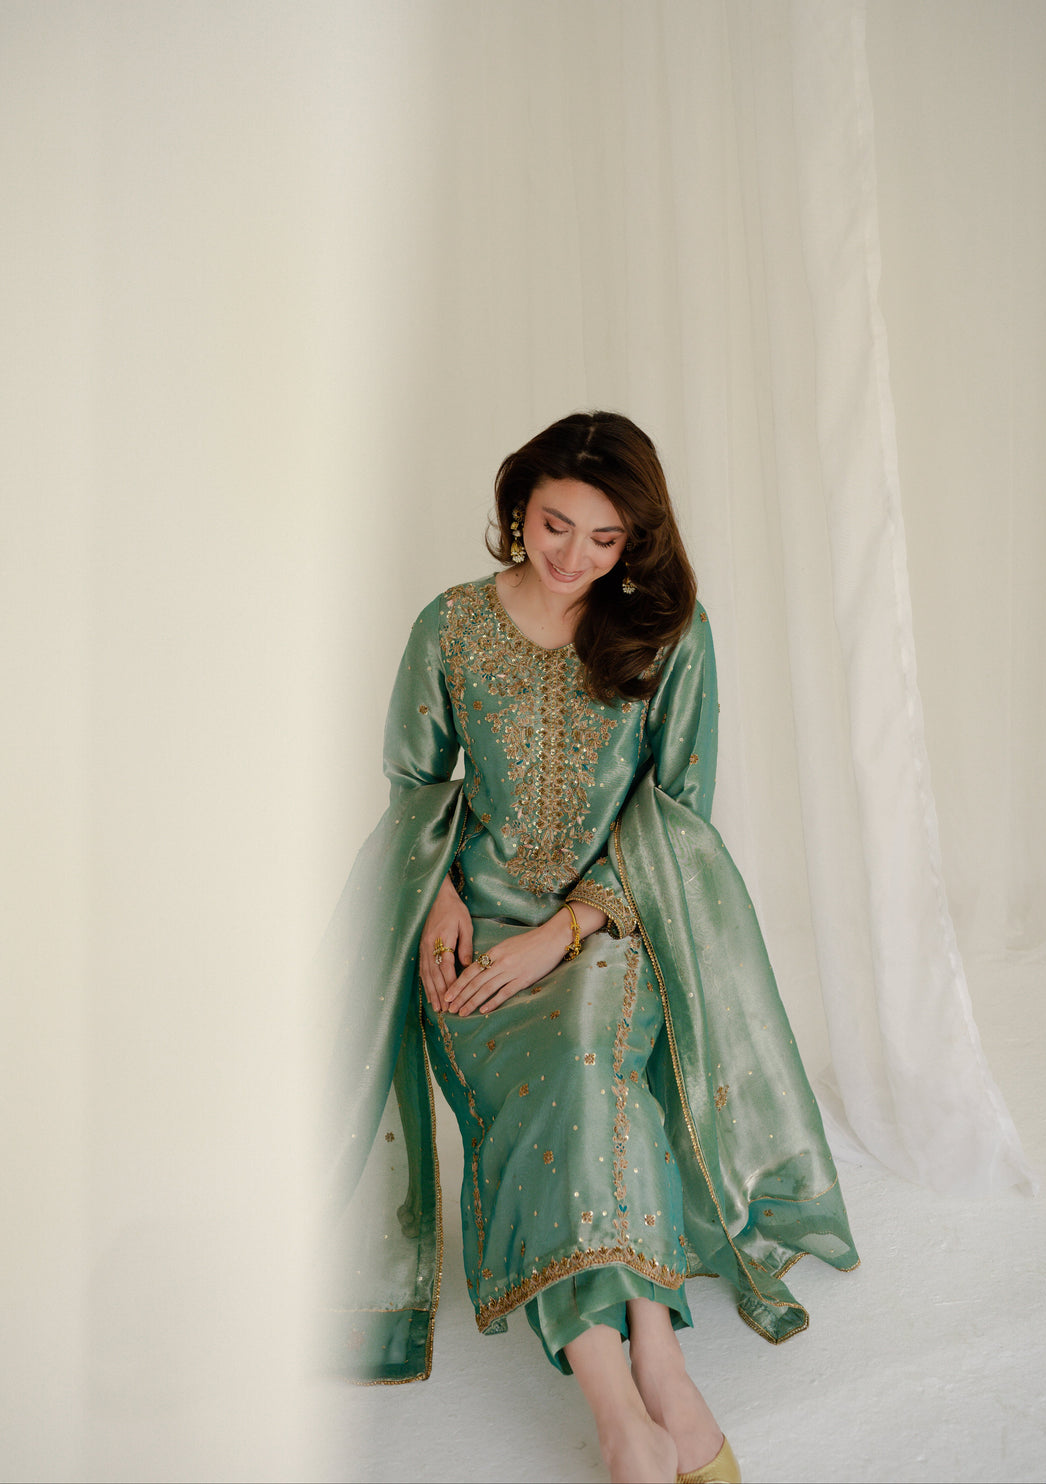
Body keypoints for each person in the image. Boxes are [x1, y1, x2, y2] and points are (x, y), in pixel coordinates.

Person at [319, 412, 858, 1484]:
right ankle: (628, 1397)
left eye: (604, 538)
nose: (572, 556)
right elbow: (414, 785)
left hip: (618, 916)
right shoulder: (450, 625)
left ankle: (653, 1373)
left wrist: (566, 928)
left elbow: (679, 813)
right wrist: (439, 901)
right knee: (554, 1085)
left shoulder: (668, 632)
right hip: (474, 921)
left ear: (635, 541)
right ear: (517, 504)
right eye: (554, 523)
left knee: (583, 1057)